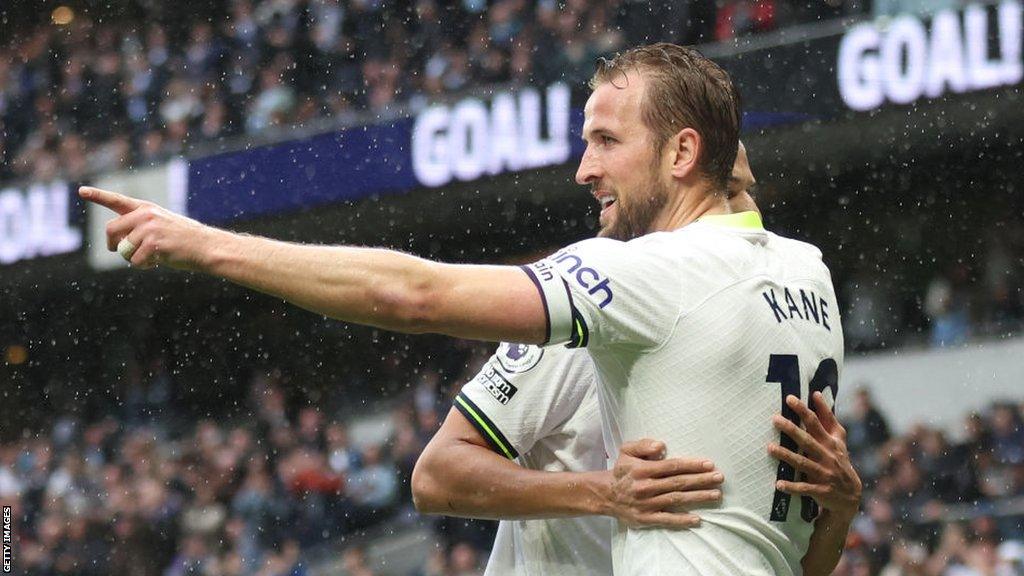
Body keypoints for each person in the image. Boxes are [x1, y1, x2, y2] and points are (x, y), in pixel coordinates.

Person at [82, 43, 859, 575]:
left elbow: (411, 295)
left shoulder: (635, 276)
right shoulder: (810, 276)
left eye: (606, 141)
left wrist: (204, 245)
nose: (584, 169)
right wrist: (844, 505)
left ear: (684, 154)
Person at [412, 146, 861, 576]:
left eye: (743, 194)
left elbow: (803, 567)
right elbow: (435, 477)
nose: (746, 217)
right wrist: (604, 492)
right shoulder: (593, 308)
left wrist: (842, 506)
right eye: (728, 192)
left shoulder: (761, 327)